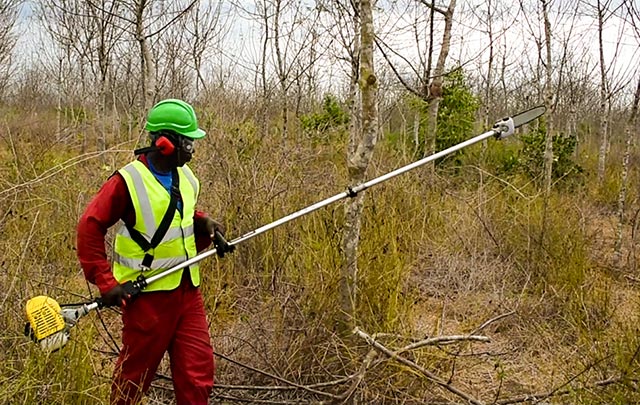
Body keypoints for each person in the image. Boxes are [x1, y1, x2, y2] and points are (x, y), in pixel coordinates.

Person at [77, 98, 233, 405]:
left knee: (197, 375)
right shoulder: (128, 181)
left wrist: (205, 224)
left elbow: (181, 214)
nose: (193, 148)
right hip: (147, 297)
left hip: (188, 290)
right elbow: (89, 226)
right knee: (133, 380)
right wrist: (107, 283)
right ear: (164, 142)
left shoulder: (187, 177)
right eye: (188, 141)